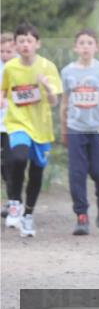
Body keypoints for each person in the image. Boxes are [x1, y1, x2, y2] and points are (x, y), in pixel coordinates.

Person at [2, 23, 63, 238]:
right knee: (18, 159)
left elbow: (54, 101)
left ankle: (28, 214)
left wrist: (46, 87)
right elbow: (4, 90)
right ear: (16, 45)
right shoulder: (10, 68)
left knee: (37, 170)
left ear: (37, 43)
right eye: (21, 41)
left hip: (41, 127)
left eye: (29, 41)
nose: (25, 45)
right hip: (17, 123)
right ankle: (15, 202)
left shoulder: (48, 67)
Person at [60, 29, 99, 235]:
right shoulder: (67, 72)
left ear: (96, 47)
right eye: (82, 43)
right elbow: (65, 103)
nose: (85, 46)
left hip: (98, 129)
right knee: (76, 173)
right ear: (75, 47)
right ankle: (81, 215)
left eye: (89, 43)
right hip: (76, 129)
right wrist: (64, 129)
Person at [1, 32, 16, 217]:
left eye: (8, 51)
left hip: (13, 125)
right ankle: (12, 200)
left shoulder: (20, 69)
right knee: (3, 168)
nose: (5, 55)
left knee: (12, 164)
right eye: (2, 51)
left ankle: (14, 202)